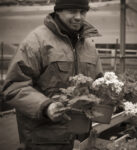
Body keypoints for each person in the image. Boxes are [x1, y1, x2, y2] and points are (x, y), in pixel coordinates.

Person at [2, 0, 103, 149]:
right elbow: (14, 87)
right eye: (72, 11)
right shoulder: (36, 41)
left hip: (81, 135)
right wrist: (45, 106)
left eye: (83, 12)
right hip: (45, 138)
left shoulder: (88, 45)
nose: (78, 17)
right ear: (58, 11)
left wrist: (109, 94)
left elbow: (98, 82)